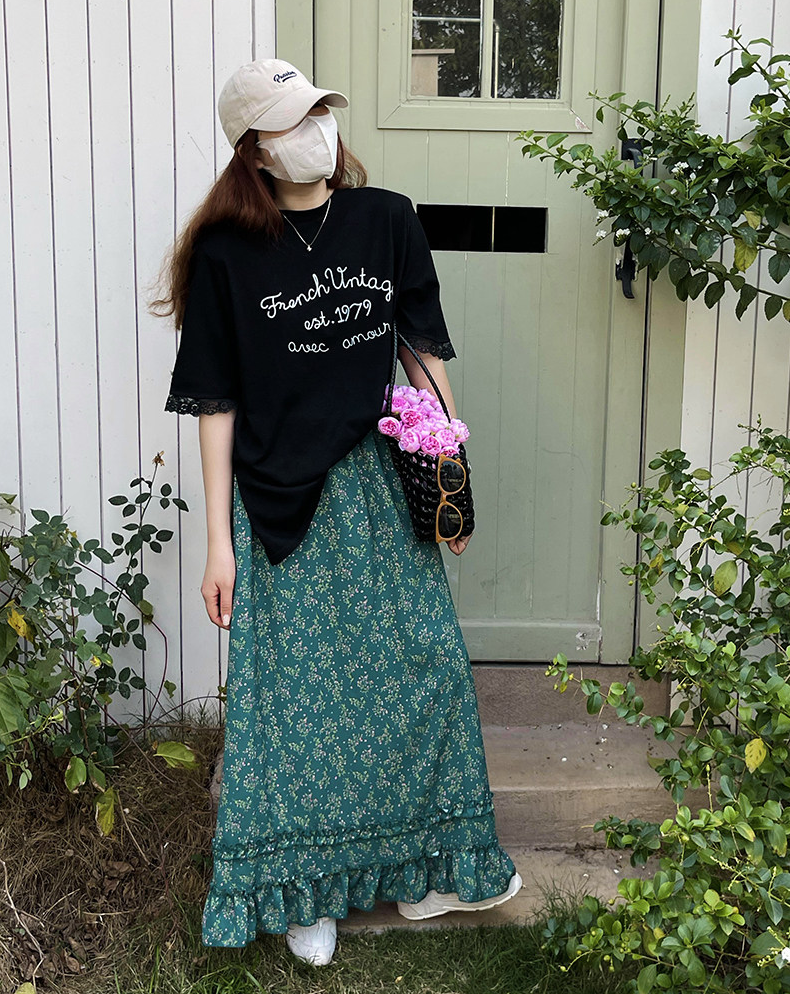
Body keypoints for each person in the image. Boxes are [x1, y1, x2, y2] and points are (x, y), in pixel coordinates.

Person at [153, 60, 522, 965]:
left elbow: (424, 353)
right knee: (297, 700)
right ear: (256, 150)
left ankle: (426, 868)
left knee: (422, 668)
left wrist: (448, 478)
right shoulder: (226, 254)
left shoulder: (386, 219)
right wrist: (217, 545)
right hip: (279, 500)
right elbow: (213, 402)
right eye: (293, 118)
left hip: (377, 485)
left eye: (318, 108)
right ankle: (305, 891)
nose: (316, 126)